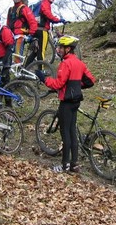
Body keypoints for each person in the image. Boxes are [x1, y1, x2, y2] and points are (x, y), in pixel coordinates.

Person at [35, 36, 95, 173]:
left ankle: (64, 165)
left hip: (66, 103)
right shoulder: (79, 63)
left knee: (65, 133)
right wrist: (76, 87)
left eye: (61, 48)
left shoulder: (65, 64)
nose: (58, 50)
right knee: (72, 132)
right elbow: (91, 81)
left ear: (68, 49)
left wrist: (44, 79)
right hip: (76, 102)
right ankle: (74, 164)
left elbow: (58, 84)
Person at [26, 0, 65, 67]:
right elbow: (48, 15)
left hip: (35, 29)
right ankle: (41, 71)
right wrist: (59, 20)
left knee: (35, 52)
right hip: (42, 30)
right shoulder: (45, 3)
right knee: (41, 51)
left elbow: (45, 15)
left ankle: (25, 69)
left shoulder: (41, 3)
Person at [7, 0, 37, 64]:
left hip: (21, 35)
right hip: (11, 36)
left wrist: (31, 34)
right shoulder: (10, 9)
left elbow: (33, 21)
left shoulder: (24, 9)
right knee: (7, 55)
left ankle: (19, 73)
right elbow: (8, 23)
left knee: (17, 57)